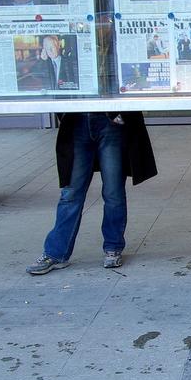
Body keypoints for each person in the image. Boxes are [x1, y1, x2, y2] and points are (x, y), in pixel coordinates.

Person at [26, 112, 158, 274]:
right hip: (77, 120)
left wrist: (119, 116)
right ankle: (55, 253)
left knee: (113, 191)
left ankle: (113, 247)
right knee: (71, 193)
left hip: (109, 120)